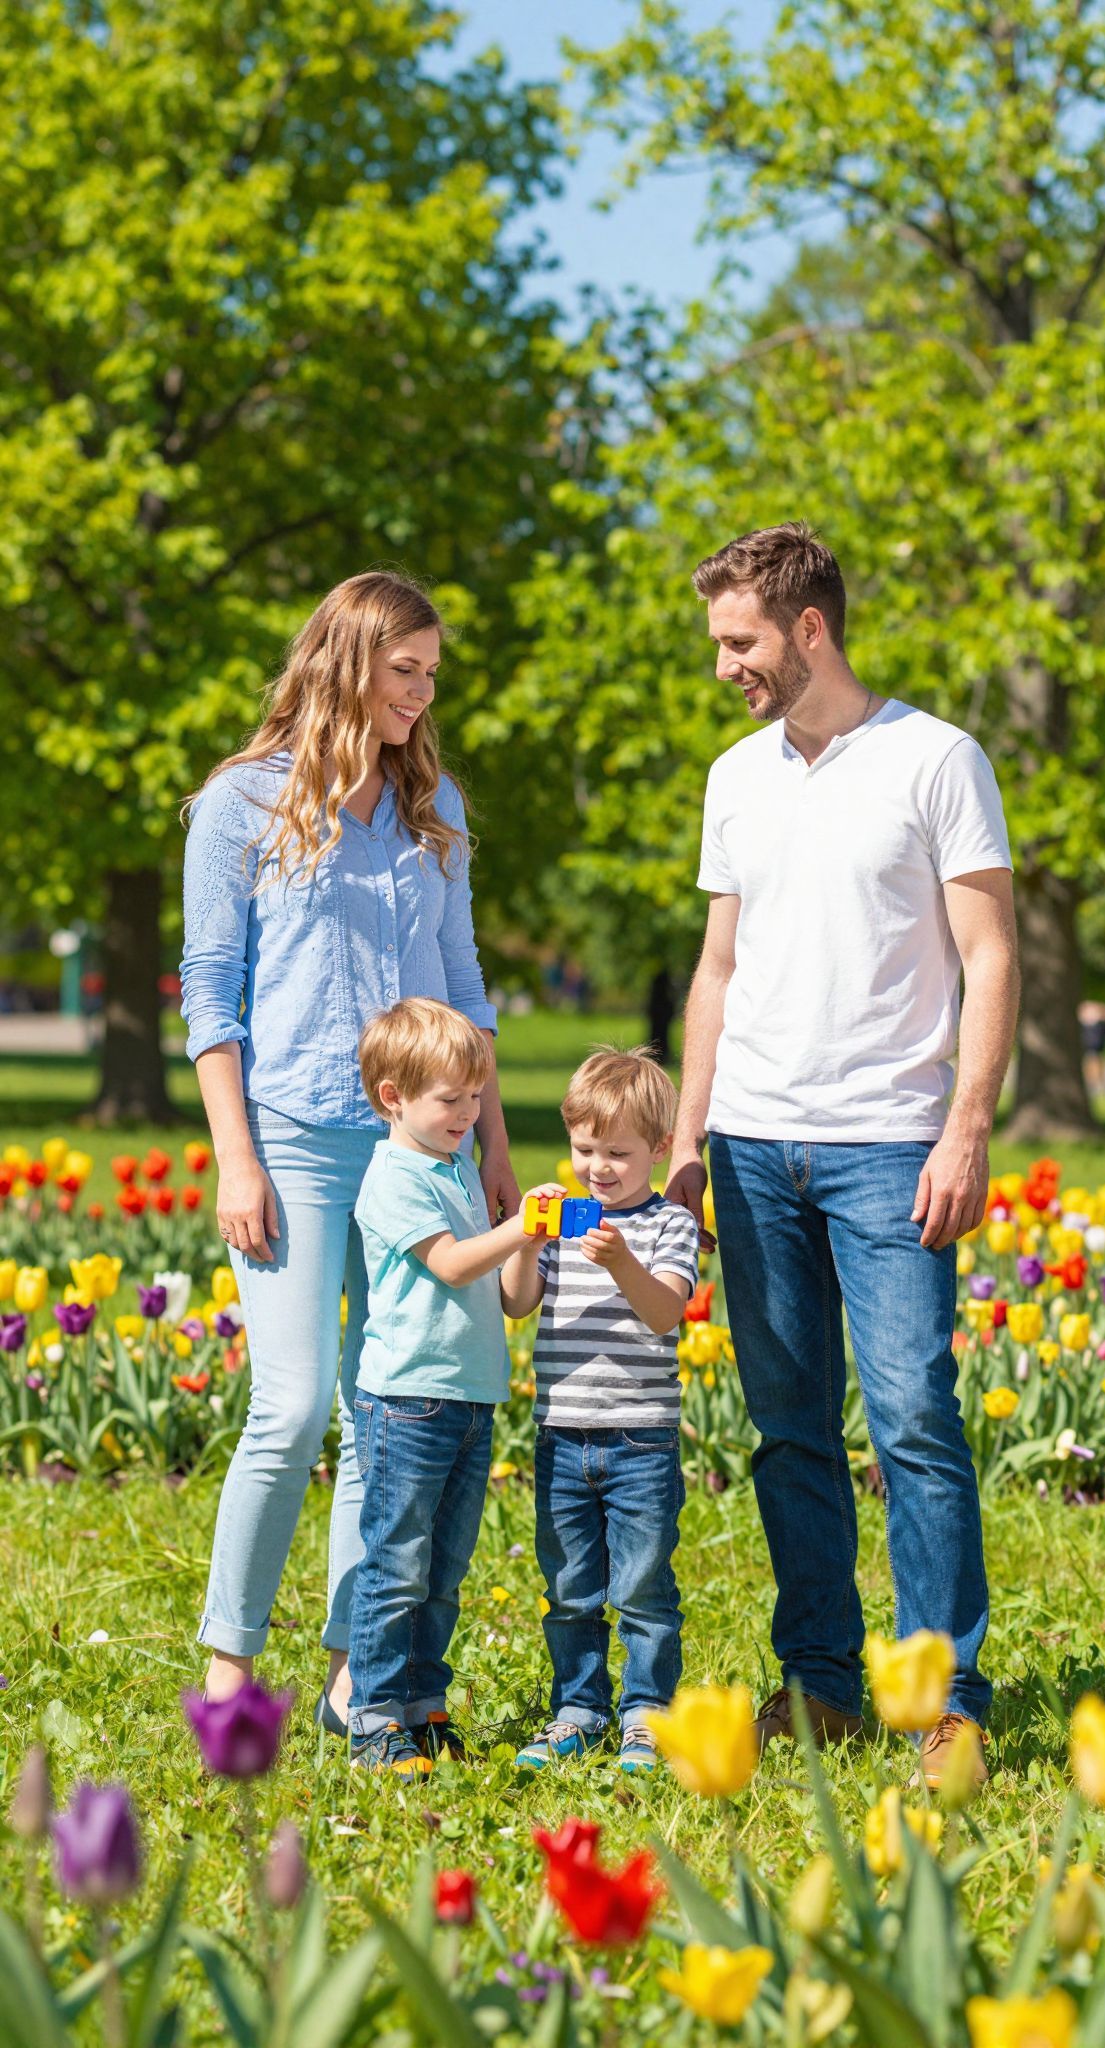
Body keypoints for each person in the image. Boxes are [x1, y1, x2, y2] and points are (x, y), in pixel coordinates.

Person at [664, 522, 1019, 1789]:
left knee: (917, 1418)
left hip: (888, 1142)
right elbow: (719, 967)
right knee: (788, 1431)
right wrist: (691, 1140)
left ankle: (943, 1700)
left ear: (810, 628)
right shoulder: (735, 776)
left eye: (740, 641)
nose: (726, 666)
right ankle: (820, 1682)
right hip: (755, 1144)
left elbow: (989, 957)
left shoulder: (936, 760)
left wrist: (965, 1126)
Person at [180, 571, 518, 1727]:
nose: (423, 694)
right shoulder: (242, 805)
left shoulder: (437, 809)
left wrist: (498, 1155)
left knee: (389, 1402)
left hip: (420, 1153)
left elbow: (466, 992)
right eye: (404, 670)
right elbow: (212, 995)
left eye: (432, 673)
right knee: (294, 1402)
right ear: (345, 663)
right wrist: (237, 1155)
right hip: (291, 1135)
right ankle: (230, 1660)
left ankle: (353, 1665)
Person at [347, 998, 560, 1780]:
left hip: (470, 1399)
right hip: (406, 1402)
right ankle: (371, 1716)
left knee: (444, 1570)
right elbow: (449, 1264)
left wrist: (529, 1252)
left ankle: (421, 1705)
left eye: (475, 1098)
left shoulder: (458, 1167)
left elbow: (506, 1296)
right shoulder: (394, 1177)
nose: (468, 1114)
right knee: (397, 1562)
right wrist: (524, 1226)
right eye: (450, 1100)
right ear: (392, 1098)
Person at [505, 1047, 699, 1774]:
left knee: (644, 1583)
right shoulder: (559, 1219)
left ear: (656, 1149)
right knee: (568, 1586)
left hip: (640, 1437)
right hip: (561, 1432)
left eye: (617, 1153)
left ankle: (647, 1712)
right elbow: (517, 1304)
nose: (597, 1167)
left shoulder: (668, 1226)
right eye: (584, 1149)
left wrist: (621, 1262)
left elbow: (664, 1315)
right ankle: (578, 1709)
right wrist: (526, 1241)